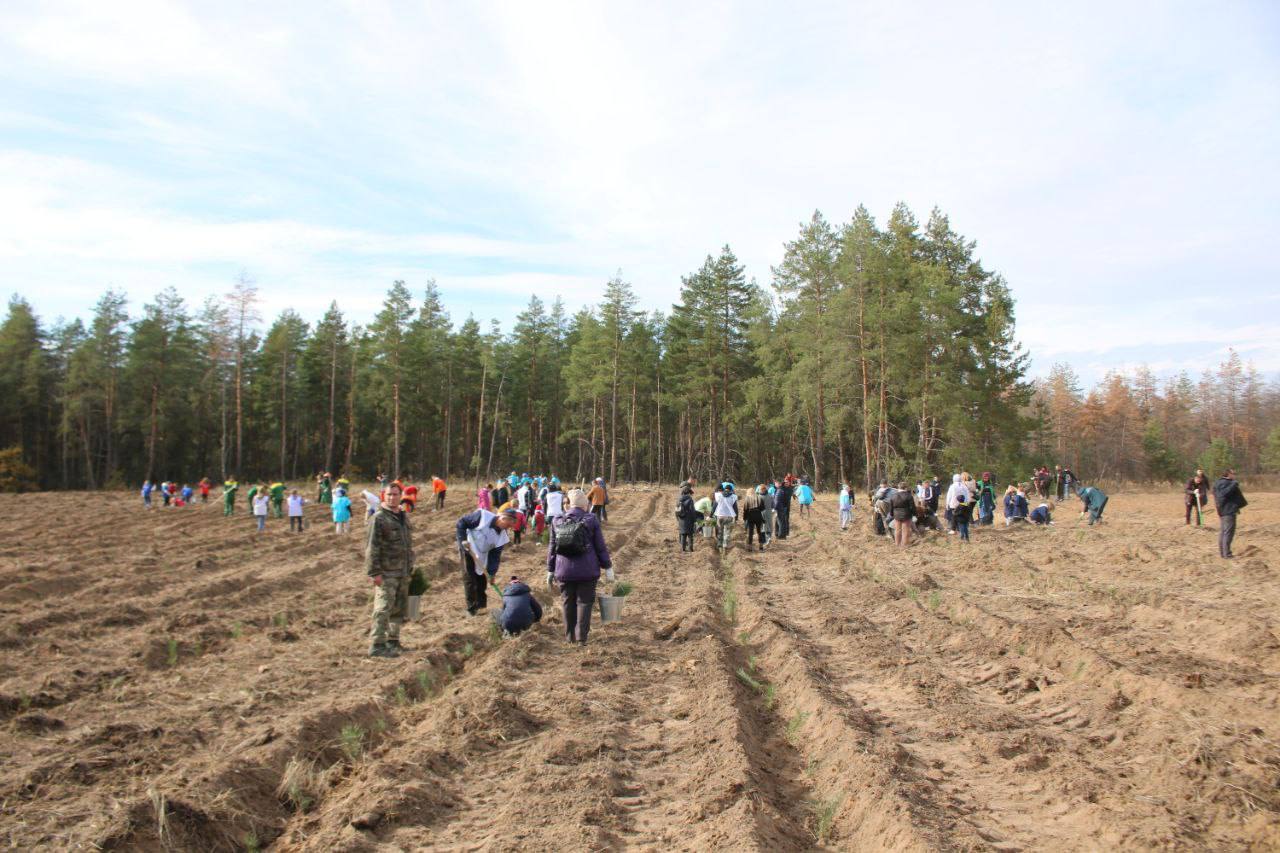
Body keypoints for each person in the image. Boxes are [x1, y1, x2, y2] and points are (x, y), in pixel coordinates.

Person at [547, 488, 613, 646]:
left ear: (569, 504)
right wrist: (608, 567)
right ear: (584, 504)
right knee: (584, 602)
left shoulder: (557, 520)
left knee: (567, 602)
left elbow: (552, 547)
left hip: (563, 570)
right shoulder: (591, 520)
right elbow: (600, 546)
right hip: (587, 570)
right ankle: (581, 637)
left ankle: (570, 637)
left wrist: (550, 569)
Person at [366, 481, 414, 658]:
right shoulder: (379, 518)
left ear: (401, 496)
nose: (392, 498)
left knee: (399, 608)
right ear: (383, 497)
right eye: (389, 495)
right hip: (386, 571)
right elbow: (372, 547)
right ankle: (377, 644)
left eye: (395, 494)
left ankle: (393, 640)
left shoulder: (402, 516)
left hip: (402, 570)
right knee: (383, 607)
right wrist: (374, 572)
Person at [456, 506, 518, 617]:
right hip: (468, 548)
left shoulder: (502, 537)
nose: (508, 528)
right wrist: (463, 540)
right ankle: (472, 610)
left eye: (510, 526)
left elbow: (495, 556)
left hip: (482, 554)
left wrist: (492, 573)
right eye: (508, 525)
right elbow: (461, 523)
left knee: (482, 579)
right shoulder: (482, 516)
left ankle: (482, 607)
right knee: (470, 579)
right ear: (502, 518)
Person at [1213, 469, 1247, 559]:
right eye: (1233, 473)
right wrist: (1233, 484)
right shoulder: (1227, 483)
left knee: (1224, 532)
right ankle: (1227, 554)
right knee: (1228, 532)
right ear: (1228, 474)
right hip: (1228, 510)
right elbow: (1223, 494)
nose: (1235, 475)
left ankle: (1223, 553)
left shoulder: (1217, 482)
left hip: (1222, 510)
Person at [888, 481, 917, 547]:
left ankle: (897, 544)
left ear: (899, 487)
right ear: (906, 488)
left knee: (897, 530)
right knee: (905, 530)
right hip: (906, 515)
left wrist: (892, 514)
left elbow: (891, 507)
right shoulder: (909, 496)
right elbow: (912, 507)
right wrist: (915, 514)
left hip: (896, 515)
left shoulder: (893, 496)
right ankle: (905, 544)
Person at [713, 483, 738, 551]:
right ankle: (725, 545)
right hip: (729, 516)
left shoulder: (719, 495)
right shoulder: (733, 497)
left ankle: (719, 545)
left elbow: (715, 506)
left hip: (720, 516)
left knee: (720, 531)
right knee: (727, 532)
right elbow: (735, 508)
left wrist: (711, 515)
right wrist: (736, 518)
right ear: (731, 490)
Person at [676, 484, 701, 551]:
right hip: (689, 519)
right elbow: (692, 511)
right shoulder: (690, 500)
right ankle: (690, 548)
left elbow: (676, 510)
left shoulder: (679, 499)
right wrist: (695, 519)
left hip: (681, 519)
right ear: (689, 492)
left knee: (683, 534)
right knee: (690, 535)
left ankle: (683, 549)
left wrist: (678, 518)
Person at [741, 485, 765, 551]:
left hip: (750, 515)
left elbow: (745, 509)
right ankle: (761, 546)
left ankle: (750, 547)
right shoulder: (759, 497)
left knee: (750, 532)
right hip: (758, 515)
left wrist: (744, 518)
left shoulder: (747, 499)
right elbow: (763, 508)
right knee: (759, 531)